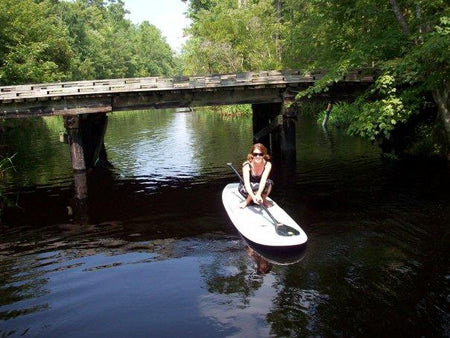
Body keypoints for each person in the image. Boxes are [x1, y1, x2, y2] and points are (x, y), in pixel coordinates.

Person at [238, 143, 273, 208]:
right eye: (255, 154)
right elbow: (247, 184)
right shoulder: (246, 165)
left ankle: (264, 199)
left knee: (269, 183)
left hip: (259, 187)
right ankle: (247, 201)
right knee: (254, 187)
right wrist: (253, 197)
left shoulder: (268, 165)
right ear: (252, 155)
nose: (258, 156)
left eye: (260, 154)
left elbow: (263, 180)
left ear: (264, 155)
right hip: (247, 188)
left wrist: (259, 194)